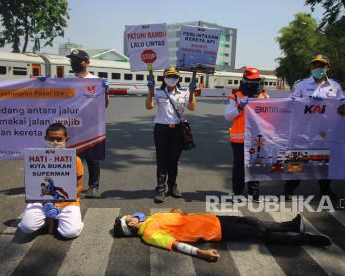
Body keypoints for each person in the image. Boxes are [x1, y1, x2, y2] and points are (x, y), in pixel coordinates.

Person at [113, 208, 331, 262]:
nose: (131, 215)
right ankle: (302, 239)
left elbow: (176, 221)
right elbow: (175, 243)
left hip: (212, 218)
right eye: (128, 218)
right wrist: (202, 253)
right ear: (130, 226)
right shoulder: (149, 233)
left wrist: (177, 213)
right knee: (258, 232)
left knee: (252, 221)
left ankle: (288, 224)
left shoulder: (149, 219)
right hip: (215, 230)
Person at [284, 54, 345, 201]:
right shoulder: (301, 85)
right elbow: (291, 103)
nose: (318, 68)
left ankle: (325, 190)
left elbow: (340, 110)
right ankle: (289, 189)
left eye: (322, 65)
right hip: (303, 130)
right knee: (298, 162)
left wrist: (344, 104)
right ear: (310, 67)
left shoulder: (335, 86)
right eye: (315, 65)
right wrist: (307, 101)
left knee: (325, 162)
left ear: (328, 68)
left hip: (325, 131)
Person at [18, 123, 84, 238]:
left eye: (59, 139)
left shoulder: (75, 159)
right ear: (45, 139)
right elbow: (31, 186)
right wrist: (45, 202)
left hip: (67, 202)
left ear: (66, 139)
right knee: (26, 227)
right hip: (41, 201)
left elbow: (80, 186)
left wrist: (61, 205)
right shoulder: (35, 158)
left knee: (70, 232)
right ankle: (46, 221)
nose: (55, 142)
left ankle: (62, 219)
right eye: (51, 139)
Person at [145, 66, 197, 203]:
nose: (171, 79)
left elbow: (192, 107)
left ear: (178, 78)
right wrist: (150, 91)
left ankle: (172, 187)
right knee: (162, 160)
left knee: (174, 161)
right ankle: (160, 189)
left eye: (174, 76)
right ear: (164, 78)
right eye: (169, 76)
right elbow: (149, 106)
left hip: (178, 130)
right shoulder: (159, 92)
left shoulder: (184, 93)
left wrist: (192, 92)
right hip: (161, 129)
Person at [66, 49, 109, 198]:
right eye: (72, 60)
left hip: (91, 125)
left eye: (77, 60)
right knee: (71, 157)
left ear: (87, 62)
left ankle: (93, 186)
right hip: (72, 125)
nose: (74, 63)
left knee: (92, 158)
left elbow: (104, 105)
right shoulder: (67, 81)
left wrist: (106, 91)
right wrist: (43, 84)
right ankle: (70, 185)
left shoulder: (96, 81)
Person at [224, 67, 270, 202]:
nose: (254, 83)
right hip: (239, 138)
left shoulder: (264, 97)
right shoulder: (236, 96)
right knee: (239, 167)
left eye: (256, 80)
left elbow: (270, 117)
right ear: (244, 81)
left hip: (258, 139)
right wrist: (240, 107)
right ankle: (237, 193)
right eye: (251, 81)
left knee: (255, 166)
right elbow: (227, 116)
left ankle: (254, 194)